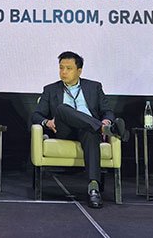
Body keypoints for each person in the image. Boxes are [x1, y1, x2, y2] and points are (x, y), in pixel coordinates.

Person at [31, 51, 126, 209]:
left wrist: (107, 120)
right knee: (62, 108)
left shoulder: (94, 87)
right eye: (61, 68)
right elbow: (36, 115)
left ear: (79, 71)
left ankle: (93, 189)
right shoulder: (50, 89)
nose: (64, 72)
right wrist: (46, 122)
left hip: (88, 130)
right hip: (64, 131)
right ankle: (104, 129)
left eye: (68, 68)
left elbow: (107, 111)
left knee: (90, 132)